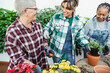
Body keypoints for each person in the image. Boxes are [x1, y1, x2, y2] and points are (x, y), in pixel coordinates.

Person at [5, 0, 49, 72]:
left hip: (39, 68)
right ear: (25, 11)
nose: (37, 11)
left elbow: (43, 40)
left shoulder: (37, 25)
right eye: (35, 9)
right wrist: (35, 68)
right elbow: (19, 58)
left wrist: (46, 47)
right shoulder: (12, 32)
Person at [43, 0, 89, 65]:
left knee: (69, 69)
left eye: (67, 8)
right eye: (63, 7)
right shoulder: (56, 17)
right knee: (57, 69)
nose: (63, 10)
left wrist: (86, 45)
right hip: (56, 51)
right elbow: (47, 28)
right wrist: (46, 34)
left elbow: (80, 37)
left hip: (69, 52)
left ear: (73, 9)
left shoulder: (78, 22)